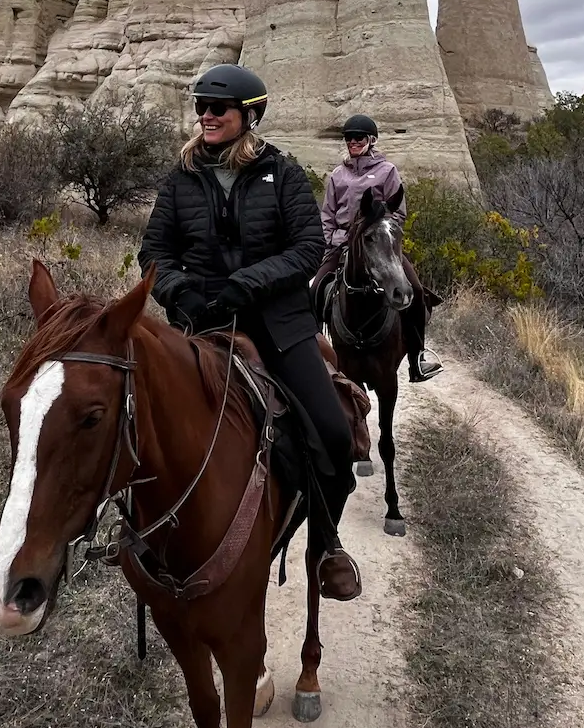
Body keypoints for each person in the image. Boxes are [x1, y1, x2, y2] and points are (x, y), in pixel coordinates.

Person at [138, 63, 361, 602]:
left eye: (219, 109)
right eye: (201, 108)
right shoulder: (181, 177)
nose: (207, 116)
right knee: (139, 424)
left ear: (249, 115)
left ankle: (326, 540)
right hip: (200, 324)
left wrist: (248, 284)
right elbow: (155, 251)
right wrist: (176, 290)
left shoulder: (281, 174)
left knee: (332, 431)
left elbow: (308, 247)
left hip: (277, 325)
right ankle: (146, 537)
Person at [314, 114, 443, 383]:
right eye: (349, 138)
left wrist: (382, 232)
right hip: (342, 244)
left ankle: (417, 358)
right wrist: (333, 241)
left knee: (416, 290)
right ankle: (314, 355)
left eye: (359, 137)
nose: (353, 142)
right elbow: (327, 214)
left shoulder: (387, 171)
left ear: (371, 140)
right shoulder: (338, 175)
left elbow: (399, 213)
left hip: (380, 245)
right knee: (314, 288)